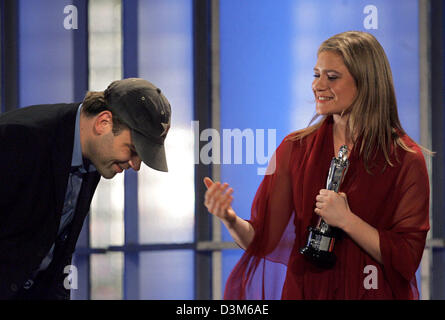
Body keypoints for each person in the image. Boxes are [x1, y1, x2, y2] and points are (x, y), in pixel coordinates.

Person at [204, 31, 431, 299]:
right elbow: (261, 241)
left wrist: (347, 221)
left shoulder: (405, 159)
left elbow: (407, 257)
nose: (318, 85)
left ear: (367, 83)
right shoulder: (293, 148)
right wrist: (229, 219)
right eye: (316, 75)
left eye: (332, 77)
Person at [0, 78, 171, 299]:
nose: (135, 165)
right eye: (132, 149)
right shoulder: (17, 139)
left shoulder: (94, 155)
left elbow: (56, 254)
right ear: (103, 123)